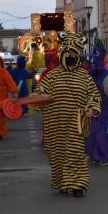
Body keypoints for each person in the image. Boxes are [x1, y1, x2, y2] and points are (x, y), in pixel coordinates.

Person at [34, 31, 101, 197]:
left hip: (75, 122)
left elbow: (94, 96)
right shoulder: (52, 75)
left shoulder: (84, 77)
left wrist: (91, 108)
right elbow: (40, 91)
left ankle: (78, 184)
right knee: (57, 154)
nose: (70, 56)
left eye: (74, 54)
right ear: (63, 53)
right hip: (54, 123)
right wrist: (37, 97)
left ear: (78, 55)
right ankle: (63, 182)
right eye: (68, 53)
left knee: (75, 153)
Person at [85, 43, 108, 166]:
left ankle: (105, 156)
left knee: (101, 132)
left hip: (104, 106)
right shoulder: (89, 74)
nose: (94, 65)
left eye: (96, 63)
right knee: (91, 132)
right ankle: (93, 155)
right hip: (92, 106)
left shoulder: (106, 74)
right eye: (93, 63)